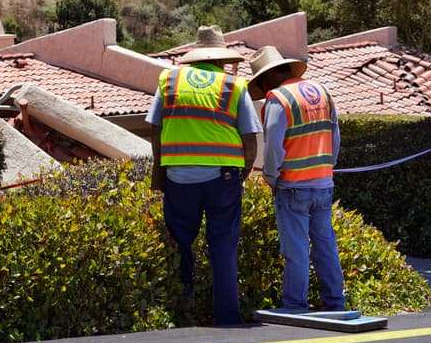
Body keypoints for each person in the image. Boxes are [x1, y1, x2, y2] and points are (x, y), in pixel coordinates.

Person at [146, 25, 260, 326]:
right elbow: (250, 138)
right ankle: (227, 316)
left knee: (180, 243)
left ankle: (182, 313)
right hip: (223, 178)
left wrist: (160, 171)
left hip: (179, 177)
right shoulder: (233, 86)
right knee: (223, 245)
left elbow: (154, 129)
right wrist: (242, 174)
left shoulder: (168, 79)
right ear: (222, 58)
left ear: (194, 55)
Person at [248, 45, 345, 312]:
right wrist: (326, 167)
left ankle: (295, 305)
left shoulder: (278, 99)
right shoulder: (323, 93)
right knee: (325, 245)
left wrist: (271, 178)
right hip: (324, 183)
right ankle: (335, 302)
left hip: (292, 187)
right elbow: (335, 139)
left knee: (296, 249)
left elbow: (273, 149)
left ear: (267, 77)